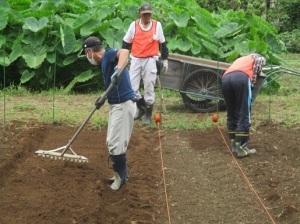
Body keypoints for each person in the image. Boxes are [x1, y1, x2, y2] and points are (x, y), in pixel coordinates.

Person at [81, 36, 136, 190]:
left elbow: (125, 52)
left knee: (115, 144)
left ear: (90, 51)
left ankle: (121, 179)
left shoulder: (109, 54)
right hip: (116, 105)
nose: (88, 58)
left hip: (123, 105)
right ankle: (120, 174)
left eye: (86, 54)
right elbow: (111, 86)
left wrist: (118, 70)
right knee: (112, 142)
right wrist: (103, 98)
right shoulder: (105, 62)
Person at [122, 2, 169, 125]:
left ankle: (148, 114)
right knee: (132, 88)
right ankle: (142, 108)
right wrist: (123, 59)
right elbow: (126, 43)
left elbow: (163, 44)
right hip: (136, 59)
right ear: (140, 14)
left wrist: (165, 60)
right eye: (144, 15)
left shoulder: (157, 25)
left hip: (150, 59)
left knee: (149, 87)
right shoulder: (134, 25)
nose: (146, 17)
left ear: (151, 14)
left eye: (148, 14)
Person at [222, 54, 266, 158]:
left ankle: (234, 145)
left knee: (231, 111)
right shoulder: (258, 57)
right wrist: (253, 82)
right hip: (241, 78)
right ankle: (242, 148)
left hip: (226, 78)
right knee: (244, 112)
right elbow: (258, 67)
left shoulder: (241, 59)